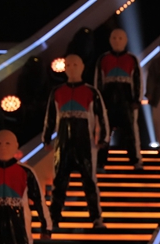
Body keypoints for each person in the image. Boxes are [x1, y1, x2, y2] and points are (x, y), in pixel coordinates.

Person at [43, 53, 109, 230]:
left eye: (75, 65)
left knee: (89, 181)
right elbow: (50, 116)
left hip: (85, 144)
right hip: (63, 144)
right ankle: (54, 217)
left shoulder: (91, 92)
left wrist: (103, 138)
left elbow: (102, 115)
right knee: (59, 182)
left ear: (82, 67)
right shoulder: (57, 92)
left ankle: (96, 217)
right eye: (68, 65)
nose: (71, 68)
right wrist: (46, 137)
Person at [95, 28, 143, 170]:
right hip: (108, 102)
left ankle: (135, 160)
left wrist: (137, 99)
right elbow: (98, 81)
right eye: (114, 38)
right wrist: (98, 102)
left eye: (120, 38)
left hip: (126, 102)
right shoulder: (103, 59)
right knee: (104, 133)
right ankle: (100, 162)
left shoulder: (132, 59)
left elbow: (138, 80)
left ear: (126, 41)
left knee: (131, 133)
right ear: (110, 40)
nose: (117, 41)